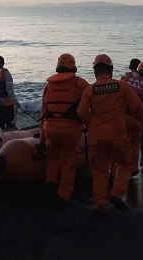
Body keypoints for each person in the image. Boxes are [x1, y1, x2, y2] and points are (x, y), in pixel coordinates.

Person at [77, 54, 143, 219]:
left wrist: (89, 123)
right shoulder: (121, 86)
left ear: (94, 71)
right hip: (117, 135)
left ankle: (101, 205)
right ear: (111, 69)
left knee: (100, 171)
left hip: (95, 137)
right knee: (126, 163)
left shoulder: (89, 90)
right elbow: (138, 107)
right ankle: (116, 194)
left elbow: (80, 112)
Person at [39, 53, 89, 208]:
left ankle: (50, 185)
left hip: (50, 129)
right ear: (73, 66)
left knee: (52, 158)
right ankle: (63, 196)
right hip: (70, 129)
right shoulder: (79, 83)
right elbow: (92, 98)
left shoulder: (49, 85)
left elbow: (43, 111)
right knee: (69, 162)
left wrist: (42, 136)